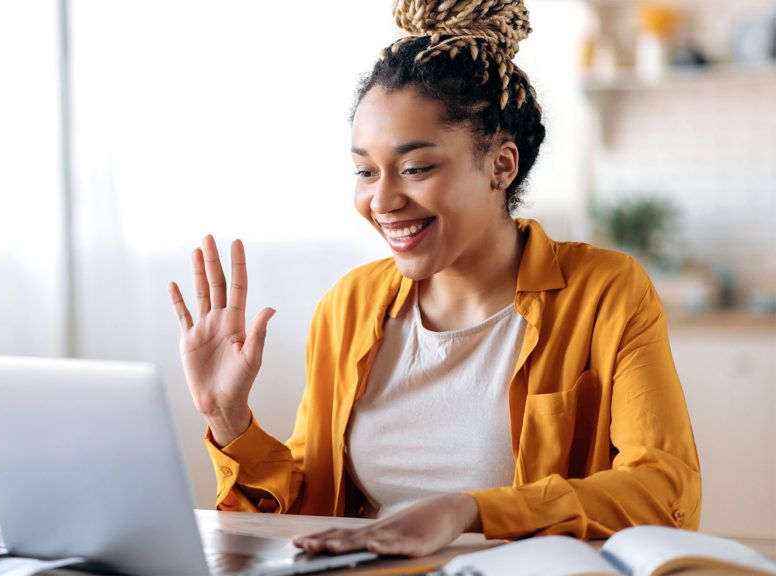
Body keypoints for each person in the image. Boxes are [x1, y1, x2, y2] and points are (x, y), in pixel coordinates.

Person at [166, 0, 700, 558]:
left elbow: (665, 490)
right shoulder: (349, 306)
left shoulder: (605, 292)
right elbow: (310, 510)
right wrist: (228, 419)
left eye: (416, 168)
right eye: (366, 171)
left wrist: (469, 510)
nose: (383, 200)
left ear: (501, 165)